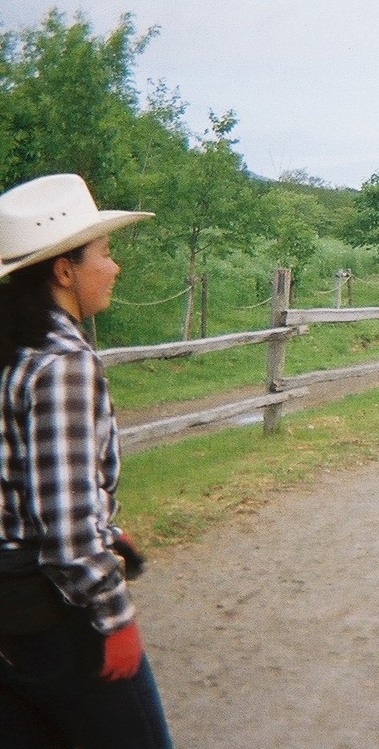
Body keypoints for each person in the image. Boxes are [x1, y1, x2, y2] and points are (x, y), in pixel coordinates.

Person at [0, 173, 173, 747]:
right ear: (64, 271)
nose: (114, 267)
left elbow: (20, 482)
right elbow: (69, 536)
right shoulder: (64, 363)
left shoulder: (16, 352)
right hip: (52, 609)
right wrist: (114, 618)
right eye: (104, 252)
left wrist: (109, 530)